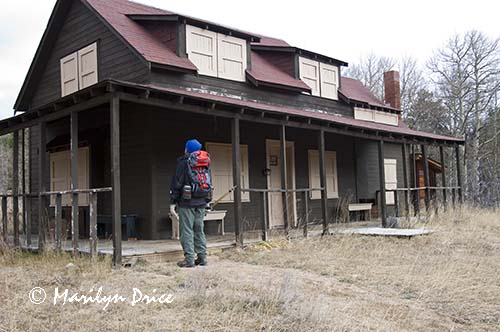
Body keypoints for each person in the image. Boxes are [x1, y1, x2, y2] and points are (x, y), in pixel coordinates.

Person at [170, 139, 210, 268]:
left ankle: (189, 260)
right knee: (199, 229)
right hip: (202, 201)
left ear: (187, 149)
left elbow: (177, 183)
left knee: (187, 230)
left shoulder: (183, 163)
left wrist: (172, 202)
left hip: (187, 202)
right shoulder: (205, 163)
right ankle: (202, 257)